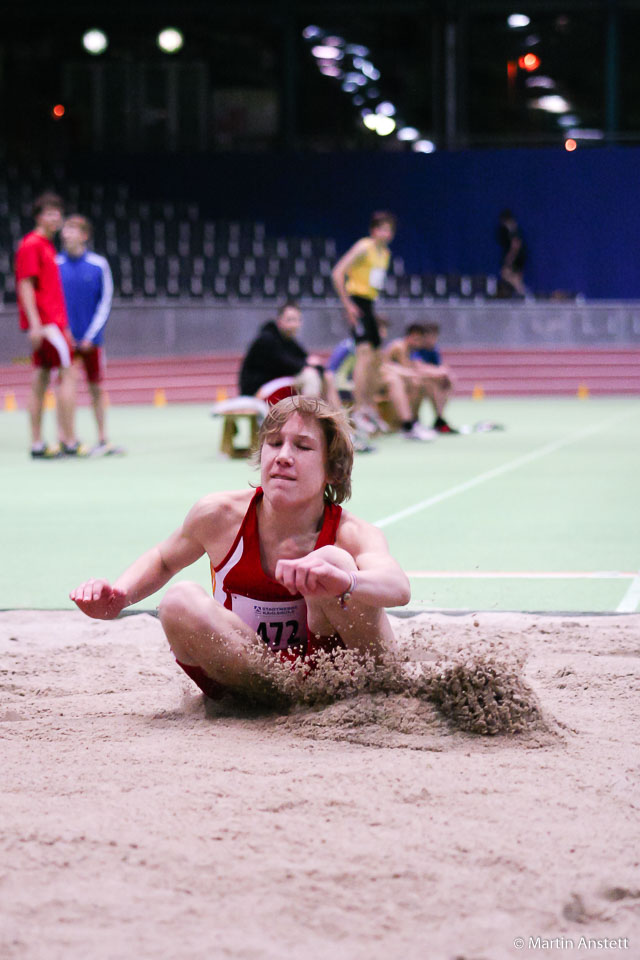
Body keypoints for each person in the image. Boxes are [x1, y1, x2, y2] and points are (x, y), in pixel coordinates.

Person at [70, 396, 411, 701]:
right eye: (274, 444)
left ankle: (383, 694)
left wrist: (345, 582)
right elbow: (163, 560)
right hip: (253, 678)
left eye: (302, 447)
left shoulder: (351, 532)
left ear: (333, 471)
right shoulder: (218, 515)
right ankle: (285, 700)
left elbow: (397, 586)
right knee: (177, 601)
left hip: (334, 675)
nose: (283, 457)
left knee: (333, 560)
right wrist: (119, 596)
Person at [15, 192, 86, 459]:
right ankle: (68, 439)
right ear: (38, 216)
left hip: (53, 324)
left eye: (58, 212)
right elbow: (25, 284)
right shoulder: (32, 244)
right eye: (49, 212)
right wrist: (35, 324)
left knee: (41, 377)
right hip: (47, 325)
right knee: (68, 374)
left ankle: (37, 443)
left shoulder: (46, 245)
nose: (55, 217)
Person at [56, 214, 124, 456]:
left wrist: (90, 335)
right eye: (65, 230)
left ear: (84, 235)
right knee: (64, 387)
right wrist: (65, 334)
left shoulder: (98, 265)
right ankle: (66, 439)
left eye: (73, 230)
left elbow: (105, 302)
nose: (67, 234)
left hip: (92, 342)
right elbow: (53, 303)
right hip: (63, 340)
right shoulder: (55, 265)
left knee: (96, 388)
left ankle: (103, 438)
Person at [331, 211, 396, 435]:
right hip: (356, 302)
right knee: (364, 353)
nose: (385, 233)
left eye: (389, 230)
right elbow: (338, 272)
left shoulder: (385, 254)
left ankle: (369, 407)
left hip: (369, 305)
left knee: (377, 356)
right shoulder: (363, 247)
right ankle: (359, 411)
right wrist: (347, 305)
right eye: (382, 229)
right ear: (373, 231)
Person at [239, 300, 340, 407]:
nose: (293, 324)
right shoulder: (267, 339)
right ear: (279, 321)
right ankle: (311, 418)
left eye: (296, 320)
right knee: (310, 376)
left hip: (276, 385)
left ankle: (338, 417)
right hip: (258, 390)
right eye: (289, 320)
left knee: (327, 376)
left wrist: (318, 368)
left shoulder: (289, 341)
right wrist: (309, 364)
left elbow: (303, 359)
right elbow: (287, 363)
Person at [384, 322, 457, 435]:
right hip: (384, 379)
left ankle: (435, 419)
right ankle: (408, 423)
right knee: (415, 382)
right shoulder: (399, 346)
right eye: (416, 339)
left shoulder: (412, 349)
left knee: (427, 382)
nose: (419, 343)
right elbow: (403, 369)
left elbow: (412, 369)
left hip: (397, 377)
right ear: (409, 336)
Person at [497, 209, 527, 298]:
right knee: (516, 278)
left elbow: (516, 245)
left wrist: (510, 259)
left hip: (516, 257)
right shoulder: (514, 227)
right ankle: (522, 294)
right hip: (520, 256)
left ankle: (524, 293)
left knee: (505, 273)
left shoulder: (511, 228)